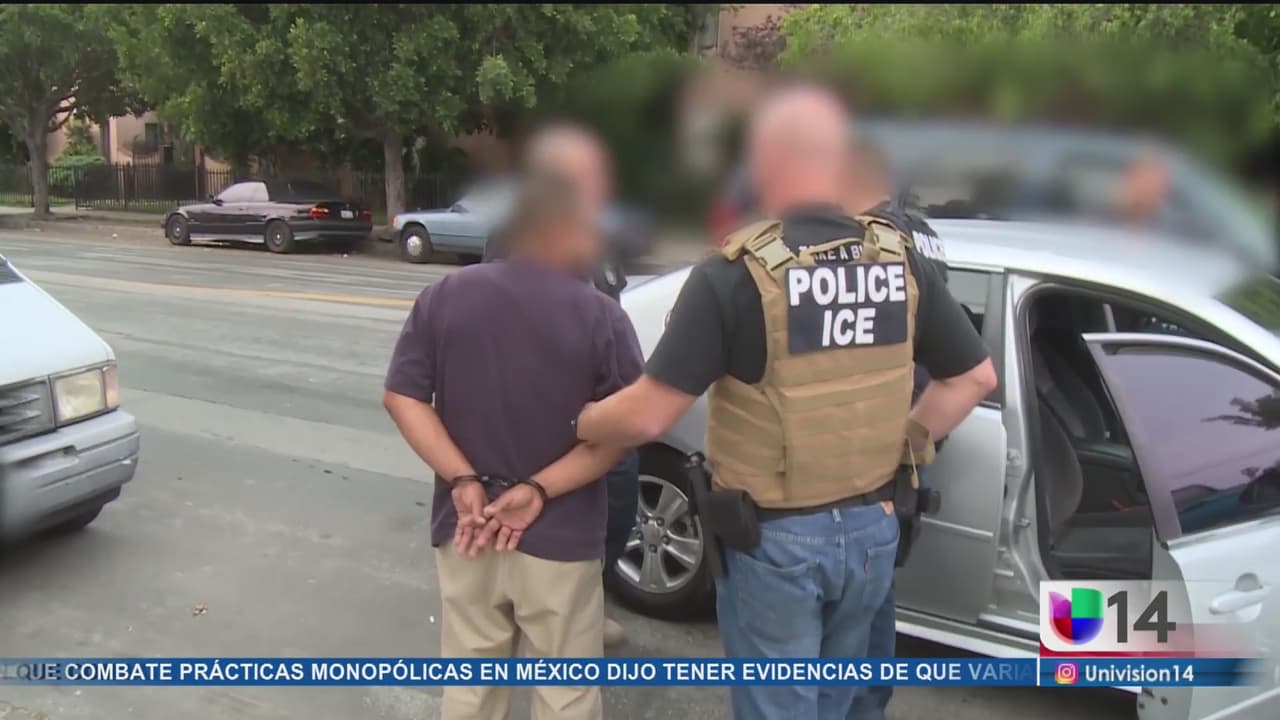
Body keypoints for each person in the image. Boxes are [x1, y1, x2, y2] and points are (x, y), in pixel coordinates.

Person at [572, 85, 998, 720]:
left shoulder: (735, 273)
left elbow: (648, 414)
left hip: (775, 541)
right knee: (837, 703)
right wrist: (900, 450)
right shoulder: (897, 257)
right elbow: (975, 378)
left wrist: (578, 419)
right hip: (873, 528)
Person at [383, 168, 642, 720]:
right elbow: (626, 429)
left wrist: (463, 479)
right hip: (560, 539)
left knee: (471, 691)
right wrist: (539, 490)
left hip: (468, 528)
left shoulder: (443, 297)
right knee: (567, 696)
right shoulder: (599, 313)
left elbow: (402, 398)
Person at [480, 122, 638, 648]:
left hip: (601, 401)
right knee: (535, 508)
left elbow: (610, 302)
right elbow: (503, 316)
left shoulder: (600, 235)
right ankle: (523, 614)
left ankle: (588, 600)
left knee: (617, 499)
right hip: (542, 405)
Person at [843, 136, 955, 720]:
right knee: (876, 590)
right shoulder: (922, 232)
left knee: (859, 602)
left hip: (880, 440)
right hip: (917, 429)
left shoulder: (873, 242)